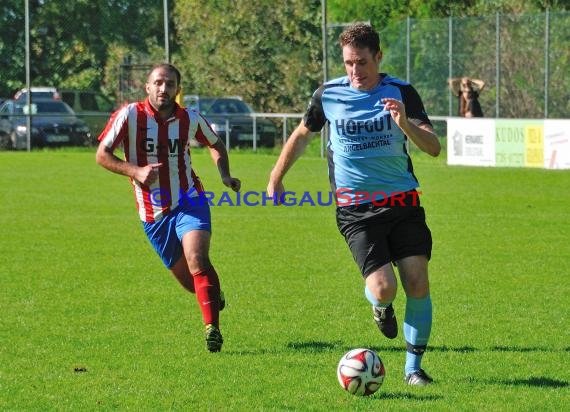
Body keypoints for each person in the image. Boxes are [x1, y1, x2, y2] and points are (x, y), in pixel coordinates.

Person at [267, 23, 441, 386]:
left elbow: (433, 147)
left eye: (361, 62)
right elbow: (302, 135)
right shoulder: (328, 95)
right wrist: (275, 177)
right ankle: (381, 307)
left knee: (417, 281)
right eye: (348, 63)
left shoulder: (401, 91)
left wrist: (404, 123)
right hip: (356, 209)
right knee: (384, 288)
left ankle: (413, 369)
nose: (354, 71)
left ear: (378, 57)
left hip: (403, 200)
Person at [95, 63, 241, 353]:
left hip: (190, 199)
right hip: (152, 213)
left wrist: (224, 174)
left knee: (197, 258)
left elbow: (215, 144)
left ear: (177, 89)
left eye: (170, 84)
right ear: (147, 87)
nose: (164, 89)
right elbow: (102, 155)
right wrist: (134, 171)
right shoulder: (129, 116)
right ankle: (214, 295)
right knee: (191, 283)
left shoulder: (190, 118)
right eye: (158, 83)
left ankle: (212, 329)